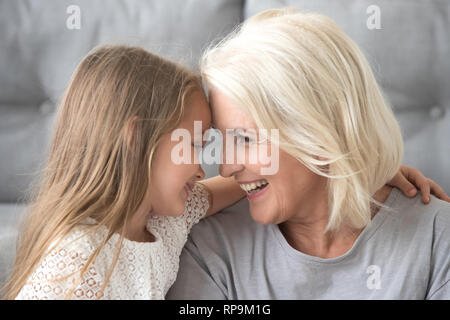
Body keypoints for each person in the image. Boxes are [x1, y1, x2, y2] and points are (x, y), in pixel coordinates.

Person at [166, 8, 450, 299]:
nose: (225, 168)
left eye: (245, 139)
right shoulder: (209, 247)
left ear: (318, 133)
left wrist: (361, 163)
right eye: (223, 139)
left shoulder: (436, 239)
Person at [3, 45, 246, 300]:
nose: (200, 170)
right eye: (194, 144)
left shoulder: (164, 224)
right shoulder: (76, 260)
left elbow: (228, 187)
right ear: (137, 137)